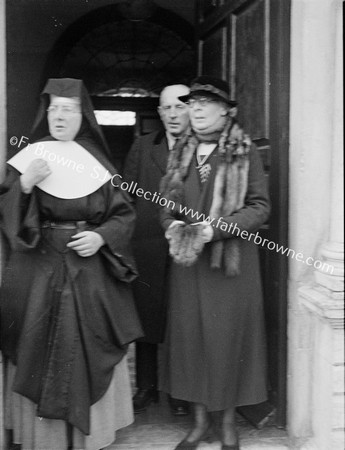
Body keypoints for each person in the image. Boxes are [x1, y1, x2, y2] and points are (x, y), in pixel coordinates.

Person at [0, 78, 143, 450]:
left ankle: (90, 436)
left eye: (68, 109)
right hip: (40, 265)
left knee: (89, 339)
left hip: (88, 266)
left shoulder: (98, 161)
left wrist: (100, 237)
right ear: (45, 113)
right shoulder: (28, 157)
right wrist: (25, 186)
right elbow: (5, 214)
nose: (60, 116)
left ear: (83, 116)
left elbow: (124, 215)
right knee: (34, 336)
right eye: (54, 108)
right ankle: (43, 439)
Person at [159, 76, 270, 450]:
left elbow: (260, 207)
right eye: (193, 103)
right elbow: (166, 207)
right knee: (191, 342)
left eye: (206, 102)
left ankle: (226, 425)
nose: (198, 109)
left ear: (226, 110)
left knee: (226, 343)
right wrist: (172, 224)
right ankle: (199, 423)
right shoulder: (181, 153)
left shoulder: (243, 151)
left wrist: (217, 230)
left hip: (230, 267)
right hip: (189, 266)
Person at [123, 84, 191, 416]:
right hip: (148, 244)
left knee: (182, 319)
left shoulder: (204, 147)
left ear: (192, 108)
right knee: (147, 316)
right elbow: (125, 197)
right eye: (167, 108)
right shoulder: (143, 145)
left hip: (189, 247)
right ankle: (146, 386)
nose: (174, 113)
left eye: (181, 106)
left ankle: (180, 390)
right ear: (160, 112)